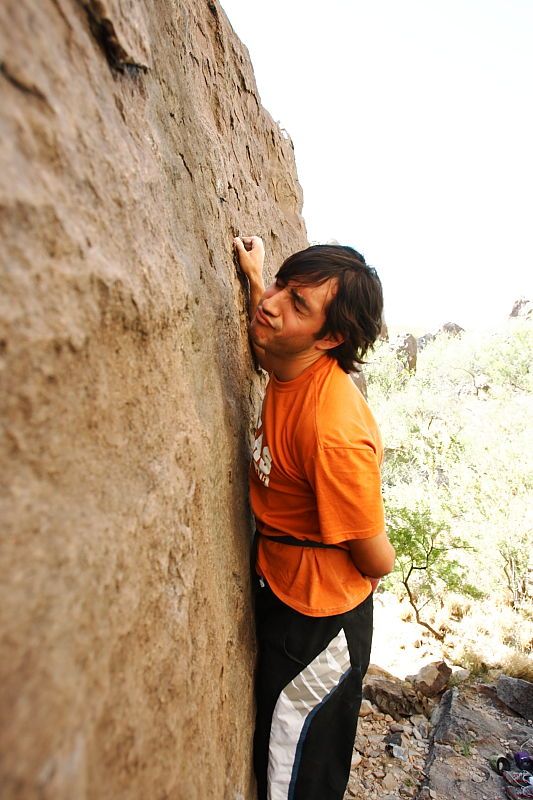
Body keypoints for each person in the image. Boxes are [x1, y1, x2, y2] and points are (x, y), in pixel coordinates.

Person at [233, 235, 396, 800]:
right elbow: (271, 340)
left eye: (297, 304)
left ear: (330, 339)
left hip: (322, 619)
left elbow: (377, 560)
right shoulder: (291, 356)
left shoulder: (335, 433)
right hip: (284, 584)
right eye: (282, 284)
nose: (272, 303)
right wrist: (258, 279)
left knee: (293, 769)